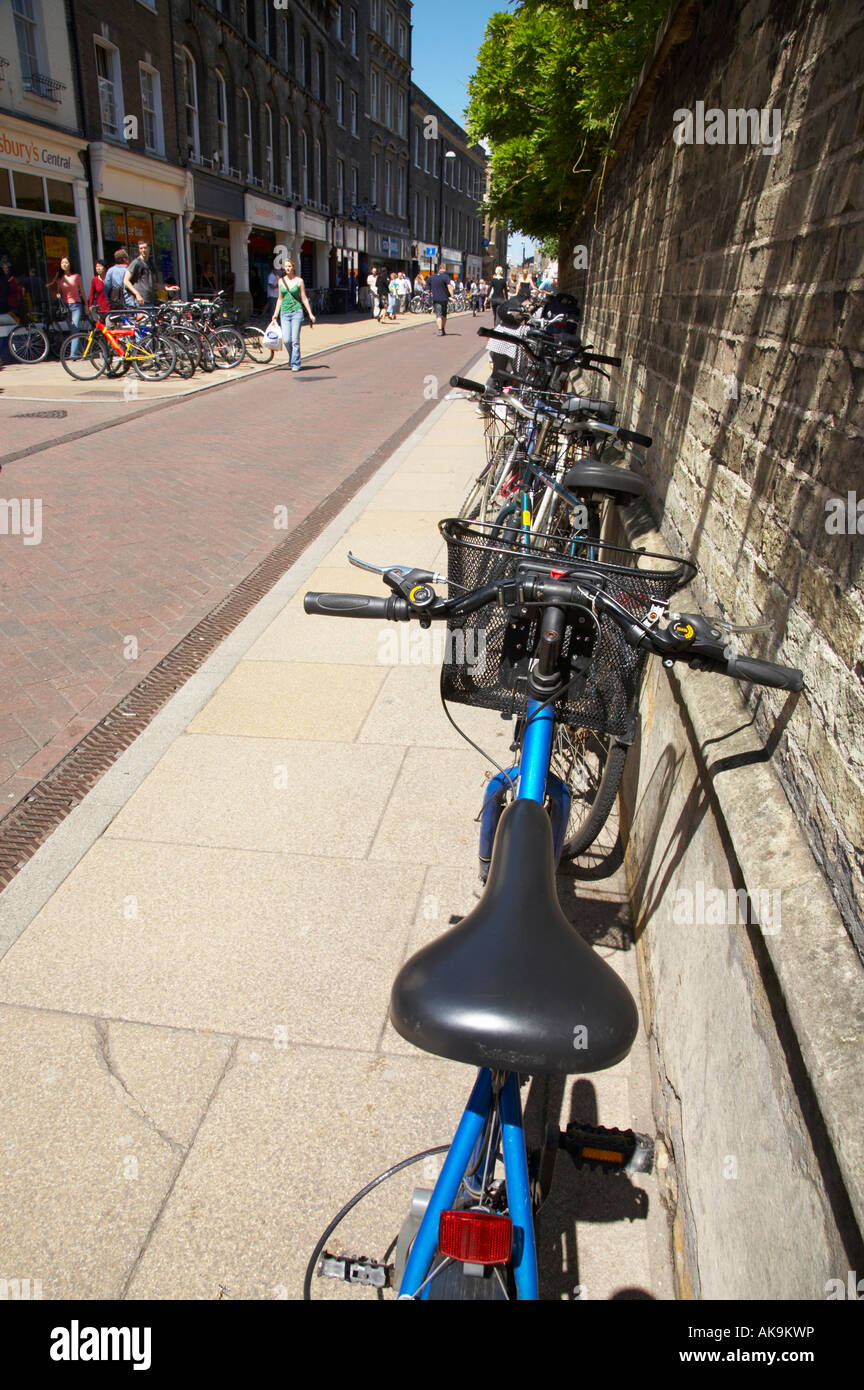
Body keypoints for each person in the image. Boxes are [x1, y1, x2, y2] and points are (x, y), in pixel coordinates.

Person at [267, 255, 316, 371]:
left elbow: (304, 298)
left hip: (296, 312)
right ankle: (292, 357)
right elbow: (279, 298)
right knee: (287, 340)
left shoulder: (299, 281)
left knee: (295, 340)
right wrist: (275, 314)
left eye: (289, 266)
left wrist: (310, 313)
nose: (287, 268)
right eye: (285, 266)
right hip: (284, 313)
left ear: (293, 267)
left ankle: (295, 363)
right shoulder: (281, 281)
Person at [48, 255, 86, 355]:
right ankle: (79, 351)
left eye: (66, 262)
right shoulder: (59, 279)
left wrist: (86, 305)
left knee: (75, 328)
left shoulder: (77, 276)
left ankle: (72, 354)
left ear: (70, 264)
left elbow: (82, 291)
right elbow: (57, 292)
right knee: (73, 330)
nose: (65, 264)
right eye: (62, 263)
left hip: (76, 305)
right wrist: (57, 295)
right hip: (65, 306)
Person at [124, 241, 156, 308]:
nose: (143, 250)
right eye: (141, 248)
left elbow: (152, 284)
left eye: (145, 248)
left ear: (149, 248)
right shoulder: (136, 262)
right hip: (141, 301)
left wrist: (166, 287)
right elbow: (125, 281)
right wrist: (137, 294)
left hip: (151, 300)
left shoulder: (151, 263)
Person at [427, 262, 454, 335]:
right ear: (444, 268)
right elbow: (449, 286)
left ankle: (439, 330)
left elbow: (428, 286)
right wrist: (452, 296)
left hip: (436, 298)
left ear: (439, 268)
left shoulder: (432, 277)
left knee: (438, 315)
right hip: (444, 298)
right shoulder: (446, 277)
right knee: (444, 315)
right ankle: (443, 329)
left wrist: (431, 292)